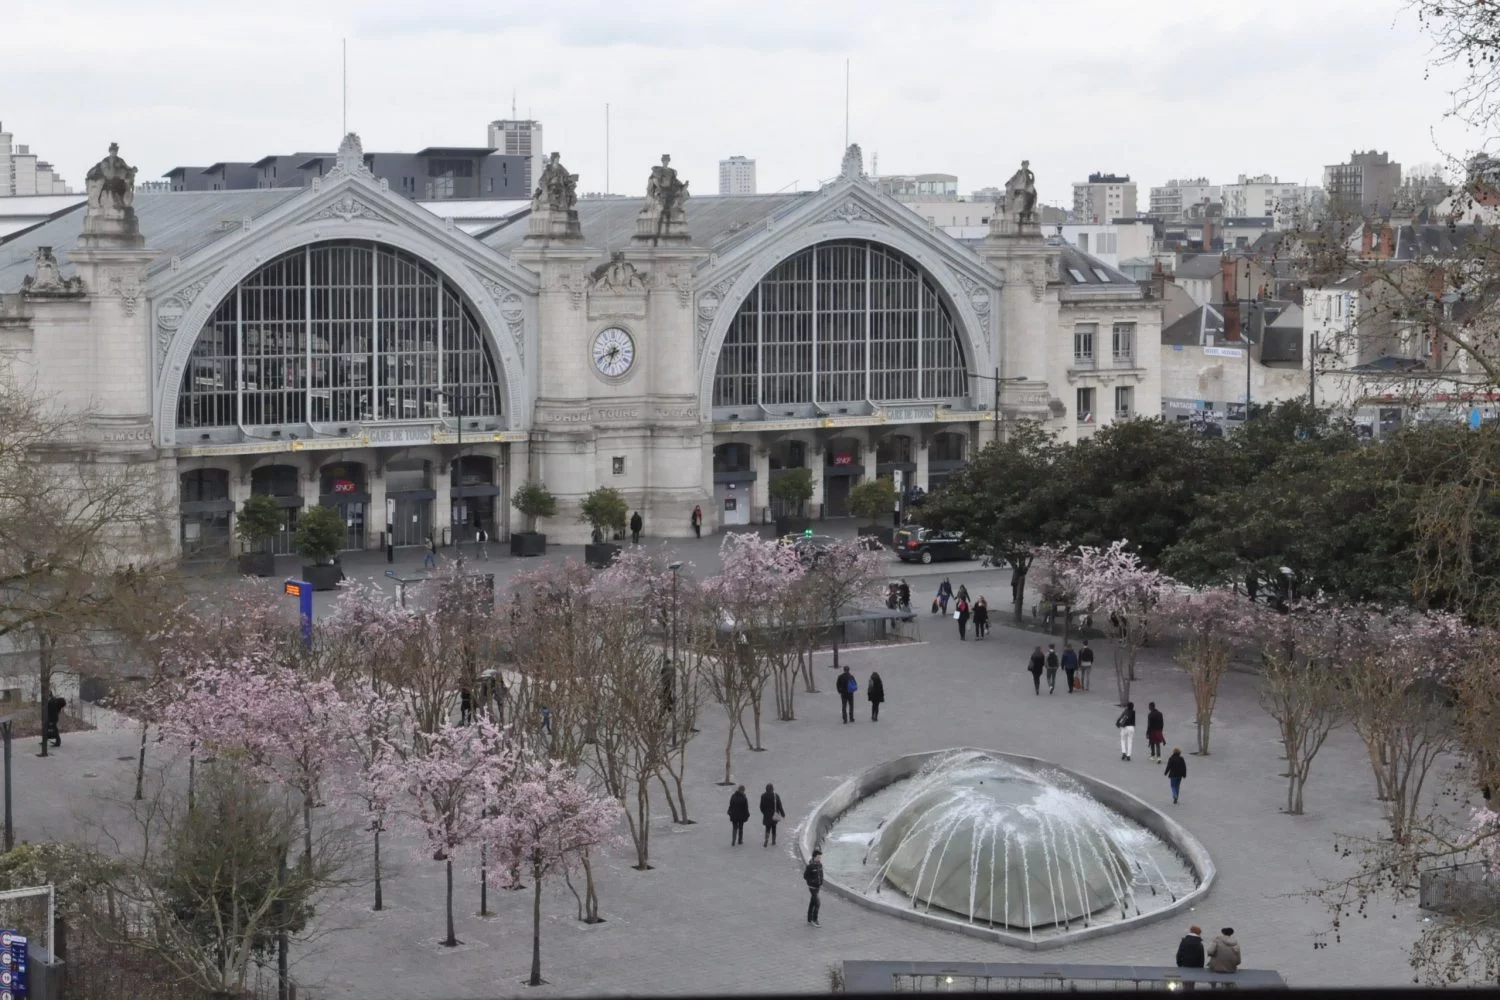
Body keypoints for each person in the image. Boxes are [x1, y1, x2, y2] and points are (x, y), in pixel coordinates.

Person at [804, 848, 825, 925]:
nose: (819, 859)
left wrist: (821, 881)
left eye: (820, 857)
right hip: (812, 887)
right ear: (814, 856)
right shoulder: (810, 866)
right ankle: (814, 920)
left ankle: (809, 919)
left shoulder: (820, 864)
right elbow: (805, 876)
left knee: (812, 902)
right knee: (817, 903)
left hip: (818, 887)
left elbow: (821, 874)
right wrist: (812, 882)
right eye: (818, 857)